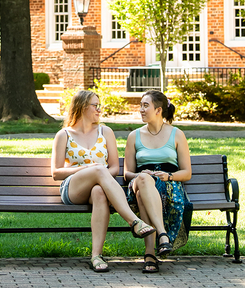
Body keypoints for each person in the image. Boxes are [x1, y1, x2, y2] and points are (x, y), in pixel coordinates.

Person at [51, 90, 156, 273]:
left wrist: (98, 173)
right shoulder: (64, 134)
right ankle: (134, 221)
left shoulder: (105, 132)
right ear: (83, 107)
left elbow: (114, 168)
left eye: (99, 105)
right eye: (95, 105)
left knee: (99, 192)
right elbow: (56, 172)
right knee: (99, 169)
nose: (99, 109)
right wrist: (87, 169)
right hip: (74, 188)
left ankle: (96, 256)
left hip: (99, 187)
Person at [124, 90, 193, 273]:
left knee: (143, 192)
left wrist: (168, 176)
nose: (141, 109)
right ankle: (162, 235)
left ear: (158, 110)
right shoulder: (134, 136)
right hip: (139, 181)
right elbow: (127, 173)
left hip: (168, 185)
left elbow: (186, 173)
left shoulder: (177, 134)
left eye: (145, 105)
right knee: (144, 180)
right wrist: (141, 175)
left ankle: (150, 255)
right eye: (141, 105)